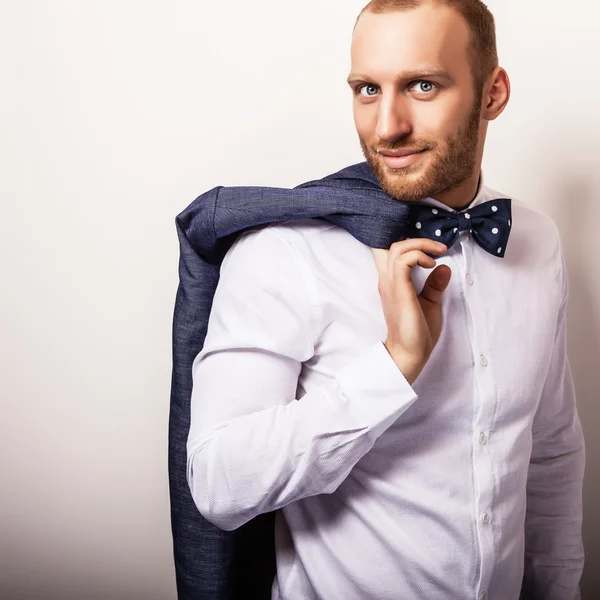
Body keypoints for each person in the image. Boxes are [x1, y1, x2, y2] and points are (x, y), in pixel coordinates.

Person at [185, 1, 585, 598]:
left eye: (423, 85)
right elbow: (217, 484)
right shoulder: (286, 252)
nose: (386, 125)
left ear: (493, 93)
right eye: (367, 89)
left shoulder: (538, 240)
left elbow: (550, 450)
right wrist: (392, 366)